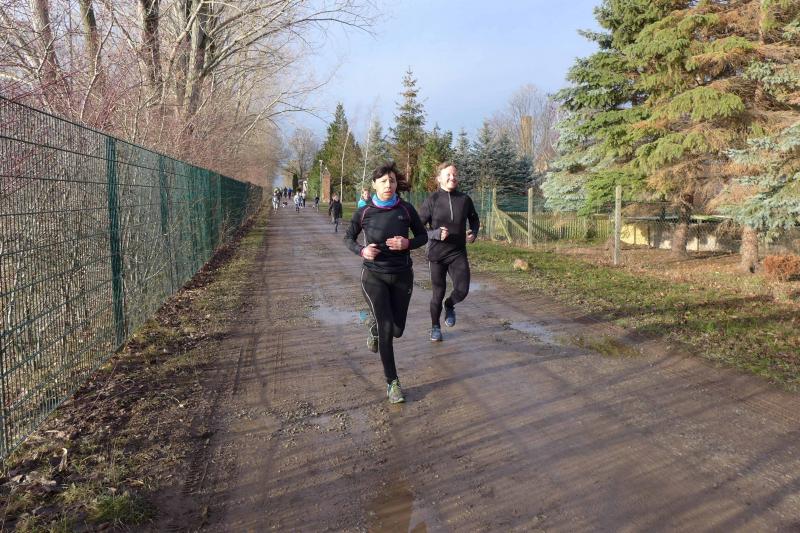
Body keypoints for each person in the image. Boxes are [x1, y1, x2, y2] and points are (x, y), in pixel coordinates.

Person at [344, 161, 427, 403]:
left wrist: (407, 243)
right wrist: (362, 250)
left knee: (397, 330)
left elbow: (422, 236)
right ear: (374, 184)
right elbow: (348, 238)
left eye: (391, 181)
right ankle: (392, 383)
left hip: (402, 275)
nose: (388, 185)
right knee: (388, 329)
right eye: (383, 181)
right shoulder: (364, 211)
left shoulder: (406, 209)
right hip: (374, 276)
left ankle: (374, 328)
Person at [418, 162, 480, 342]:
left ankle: (450, 304)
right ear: (439, 178)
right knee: (438, 293)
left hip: (457, 252)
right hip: (436, 254)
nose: (453, 178)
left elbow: (474, 220)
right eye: (448, 175)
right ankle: (435, 327)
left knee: (462, 289)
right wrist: (435, 233)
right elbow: (418, 229)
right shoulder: (432, 200)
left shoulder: (465, 199)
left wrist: (474, 233)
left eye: (455, 175)